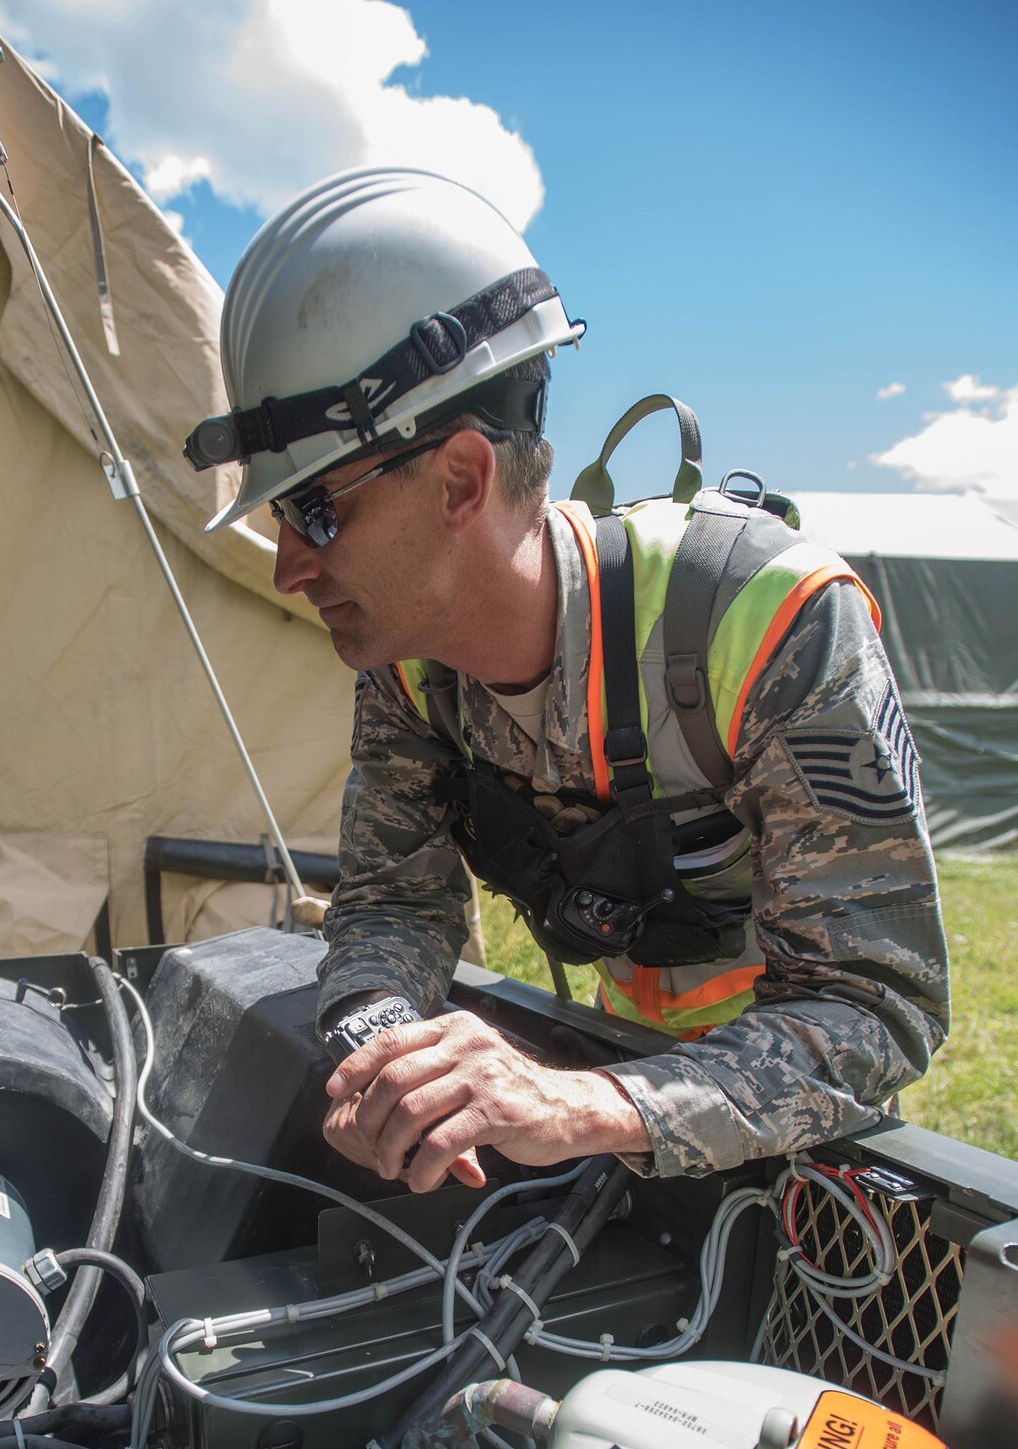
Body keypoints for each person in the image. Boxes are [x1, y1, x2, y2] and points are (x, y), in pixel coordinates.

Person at [182, 167, 948, 1192]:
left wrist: (582, 1103)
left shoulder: (765, 619)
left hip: (798, 1137)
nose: (288, 567)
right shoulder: (411, 670)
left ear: (460, 478)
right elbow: (392, 907)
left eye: (316, 512)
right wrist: (381, 1049)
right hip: (604, 1082)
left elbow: (877, 1005)